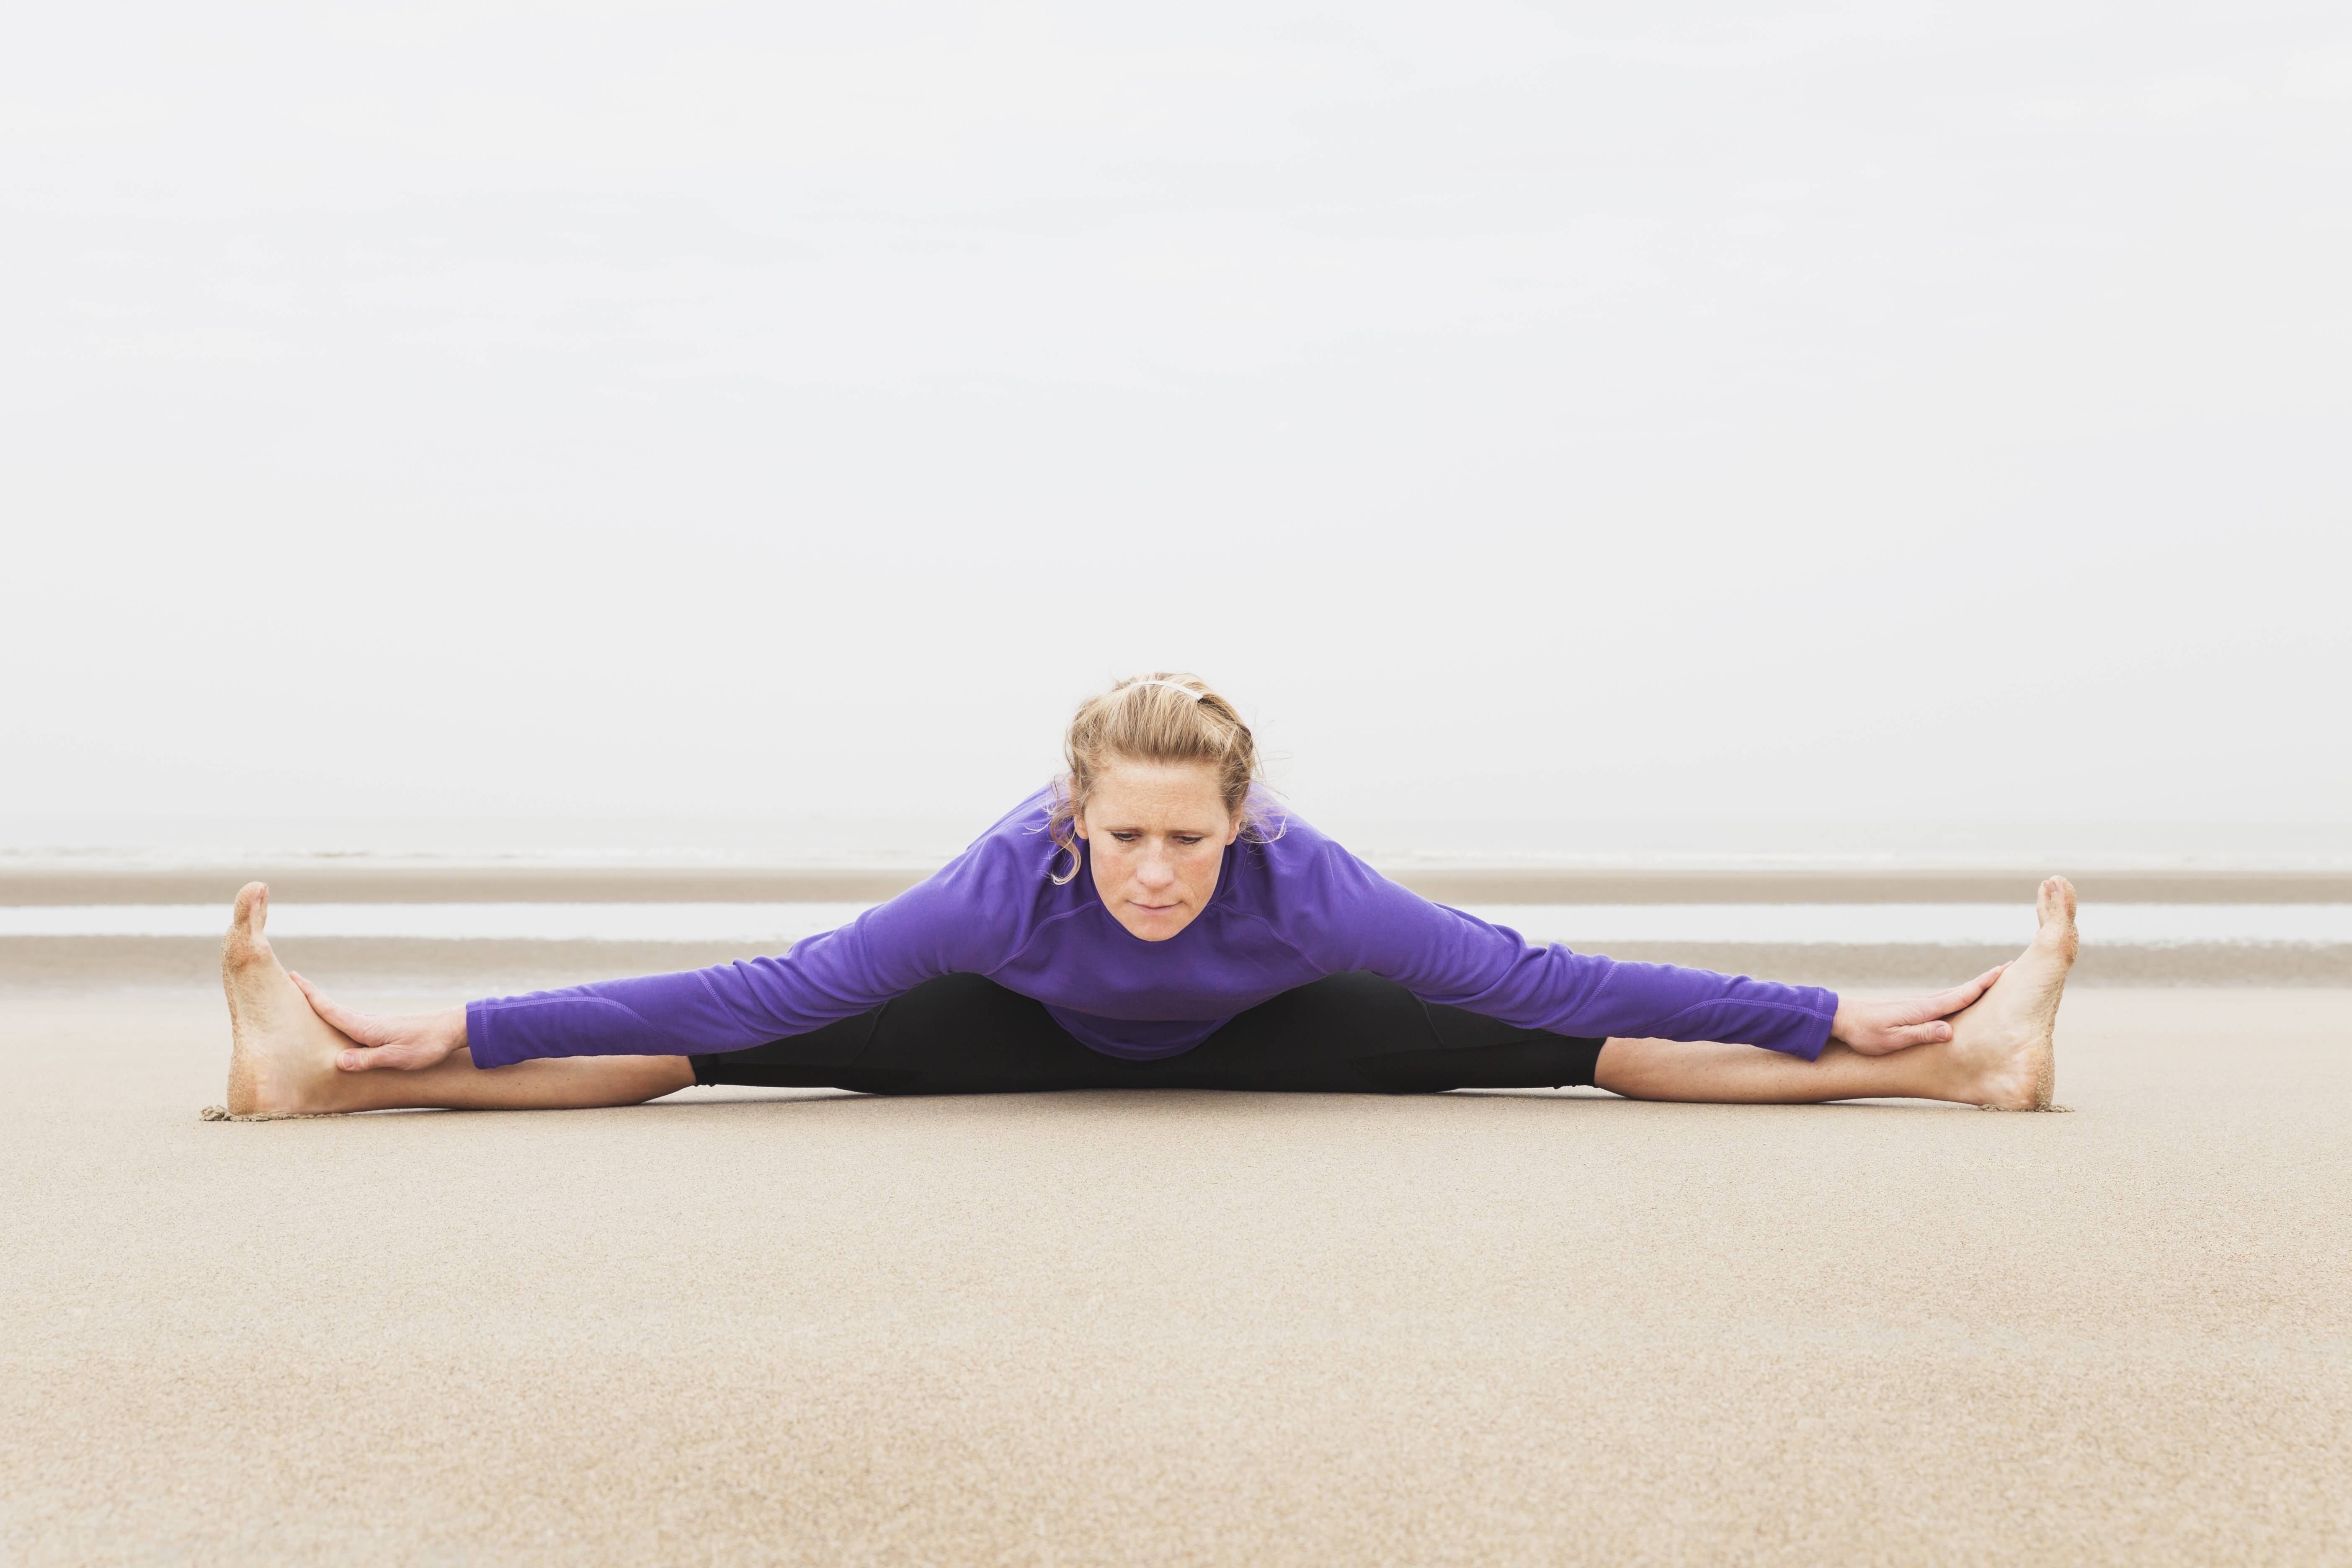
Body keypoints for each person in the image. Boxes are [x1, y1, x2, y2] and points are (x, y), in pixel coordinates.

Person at [217, 673, 2075, 1118]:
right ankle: (333, 1075)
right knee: (691, 1064)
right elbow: (757, 986)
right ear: (1072, 825)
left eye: (1194, 838)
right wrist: (458, 1022)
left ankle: (1953, 1068)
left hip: (1281, 1034)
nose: (1162, 869)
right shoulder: (991, 897)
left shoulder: (1311, 892)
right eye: (1130, 839)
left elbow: (1536, 961)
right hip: (1020, 1032)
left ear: (1243, 824)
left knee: (1587, 1040)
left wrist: (1833, 1010)